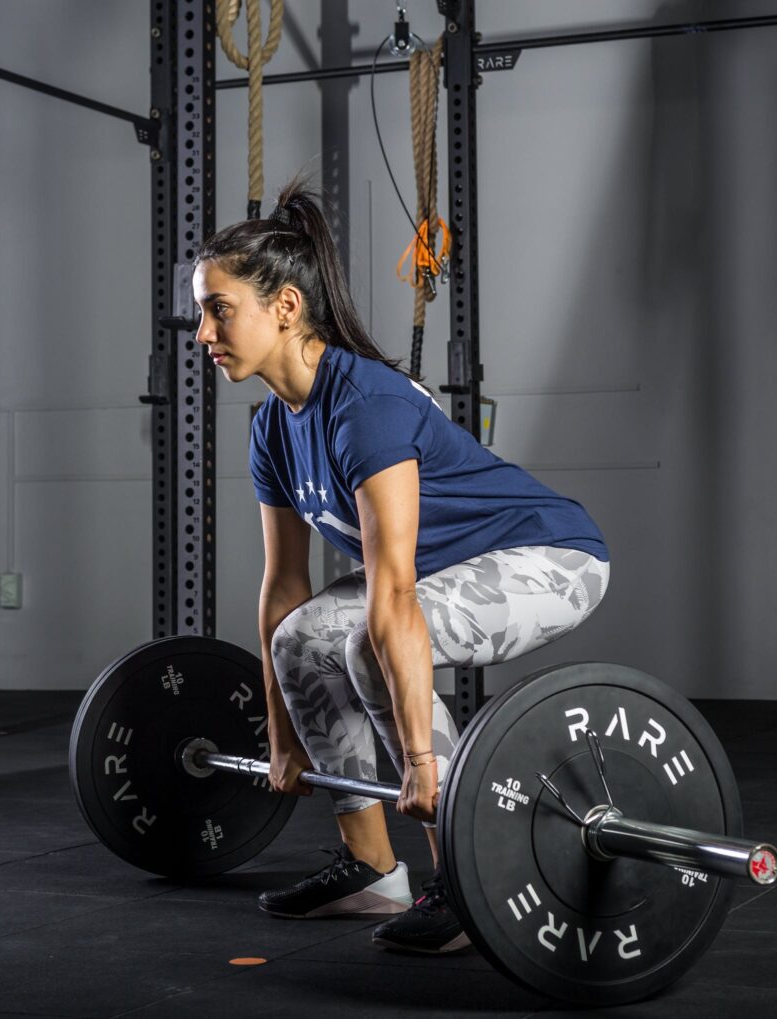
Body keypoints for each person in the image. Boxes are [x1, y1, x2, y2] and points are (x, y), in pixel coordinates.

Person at [192, 178, 610, 955]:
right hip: (437, 577)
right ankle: (369, 869)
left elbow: (389, 596)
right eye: (201, 311)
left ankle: (466, 879)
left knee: (366, 643)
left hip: (550, 557)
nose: (202, 331)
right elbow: (283, 593)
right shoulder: (273, 431)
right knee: (305, 639)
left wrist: (420, 760)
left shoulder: (365, 407)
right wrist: (282, 739)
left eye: (218, 309)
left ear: (285, 307)